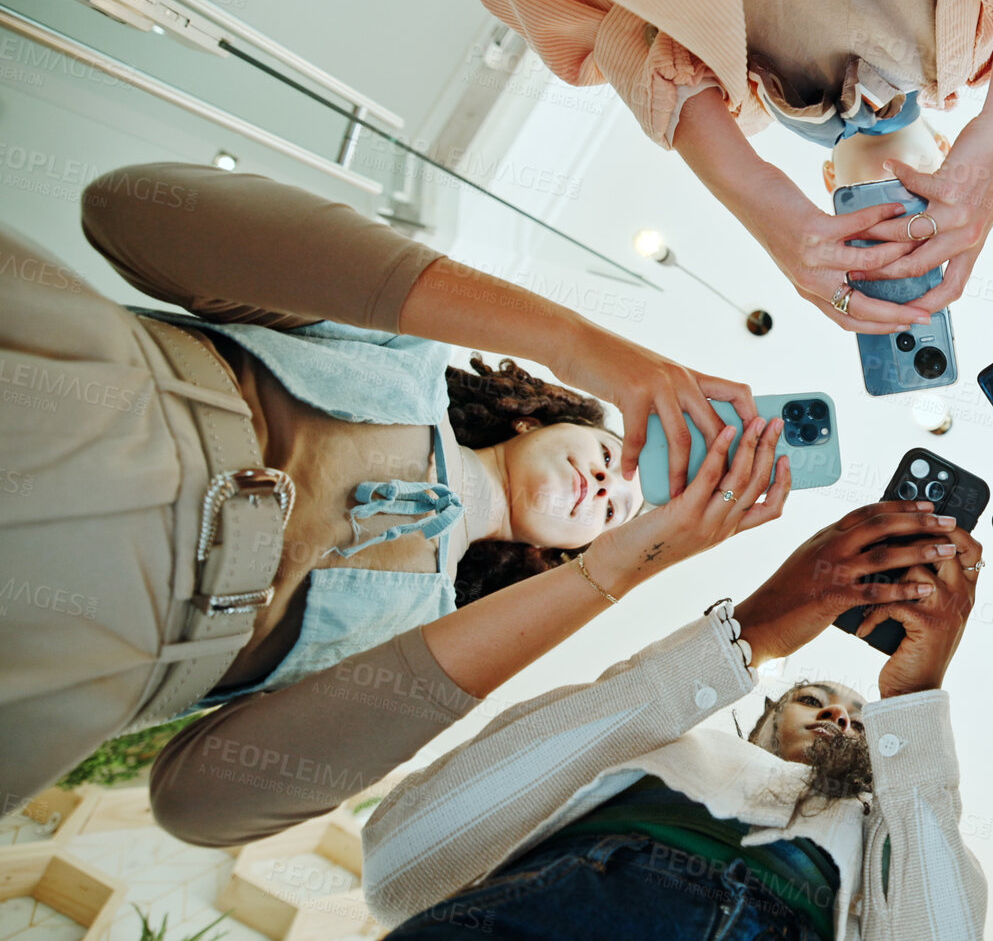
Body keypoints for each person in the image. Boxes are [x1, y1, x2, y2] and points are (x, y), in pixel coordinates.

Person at [0, 162, 779, 840]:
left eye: (614, 512)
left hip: (50, 651)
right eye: (611, 456)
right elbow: (131, 211)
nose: (609, 485)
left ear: (561, 554)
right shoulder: (405, 350)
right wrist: (580, 345)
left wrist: (612, 573)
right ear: (539, 412)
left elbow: (198, 804)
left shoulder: (430, 637)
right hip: (64, 391)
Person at [474, 0, 993, 331]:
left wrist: (757, 194)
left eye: (868, 236)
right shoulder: (975, 43)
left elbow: (616, 19)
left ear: (830, 181)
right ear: (942, 145)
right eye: (915, 221)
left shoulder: (742, 86)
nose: (891, 221)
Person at [361, 501, 987, 941]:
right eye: (810, 699)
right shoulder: (658, 751)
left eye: (862, 719)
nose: (837, 715)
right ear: (761, 720)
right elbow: (401, 861)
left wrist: (916, 699)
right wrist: (750, 633)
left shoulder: (905, 837)